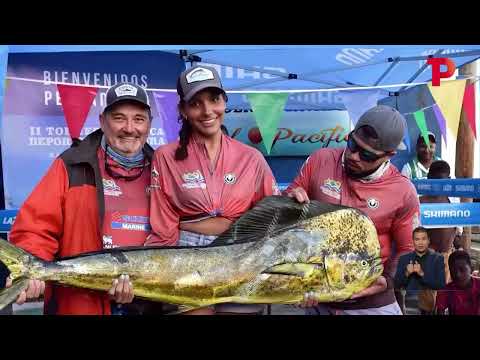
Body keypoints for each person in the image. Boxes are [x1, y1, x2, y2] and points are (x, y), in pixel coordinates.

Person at [5, 82, 161, 315]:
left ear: (149, 124)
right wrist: (33, 269)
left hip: (148, 303)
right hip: (81, 304)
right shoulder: (72, 165)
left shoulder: (163, 170)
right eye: (119, 118)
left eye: (139, 119)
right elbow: (36, 226)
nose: (129, 128)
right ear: (102, 121)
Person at [146, 65, 280, 315]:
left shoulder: (251, 157)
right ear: (183, 110)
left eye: (214, 100)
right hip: (188, 258)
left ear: (225, 102)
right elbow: (162, 224)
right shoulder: (165, 156)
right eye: (196, 103)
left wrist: (295, 202)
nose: (207, 111)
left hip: (241, 255)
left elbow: (273, 215)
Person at [286, 105, 420, 315]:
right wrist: (290, 200)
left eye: (367, 155)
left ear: (389, 155)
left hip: (372, 304)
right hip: (317, 298)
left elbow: (409, 249)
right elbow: (290, 201)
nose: (354, 156)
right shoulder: (320, 160)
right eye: (352, 144)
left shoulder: (403, 190)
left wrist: (387, 281)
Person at [419, 160, 462, 284]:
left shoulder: (453, 201)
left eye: (442, 181)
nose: (438, 185)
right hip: (427, 258)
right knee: (429, 298)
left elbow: (457, 232)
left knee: (446, 294)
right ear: (428, 178)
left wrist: (459, 249)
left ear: (448, 179)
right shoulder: (420, 202)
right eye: (434, 181)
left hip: (448, 256)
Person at [394, 227, 445, 315]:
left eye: (423, 239)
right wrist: (407, 273)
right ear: (413, 241)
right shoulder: (404, 258)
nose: (420, 242)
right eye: (417, 239)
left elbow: (439, 284)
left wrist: (422, 273)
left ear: (428, 240)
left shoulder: (437, 258)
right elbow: (396, 284)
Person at [436, 250, 480, 315]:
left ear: (471, 268)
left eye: (462, 269)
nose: (457, 275)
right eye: (453, 271)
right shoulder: (446, 291)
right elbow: (440, 311)